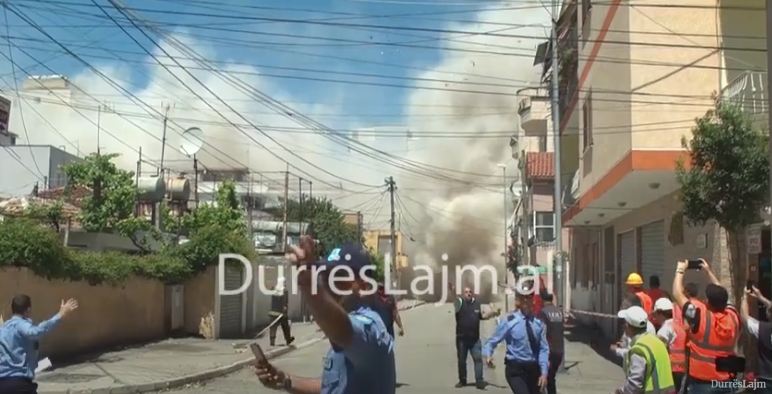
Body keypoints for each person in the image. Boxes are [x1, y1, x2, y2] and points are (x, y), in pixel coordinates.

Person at [255, 239, 396, 394]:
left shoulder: (371, 330)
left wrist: (308, 283)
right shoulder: (346, 331)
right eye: (326, 275)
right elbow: (332, 386)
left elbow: (342, 330)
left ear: (363, 286)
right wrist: (286, 380)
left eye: (339, 276)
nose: (330, 283)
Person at [672, 259, 740, 394]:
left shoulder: (700, 316)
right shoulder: (733, 316)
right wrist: (709, 271)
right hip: (727, 381)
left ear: (708, 302)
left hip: (702, 382)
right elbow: (723, 294)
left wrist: (680, 270)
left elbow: (677, 293)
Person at [0, 295, 79, 394]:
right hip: (19, 384)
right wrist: (60, 314)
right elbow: (35, 331)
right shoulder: (21, 325)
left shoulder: (3, 329)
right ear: (28, 310)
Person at [483, 286, 549, 394]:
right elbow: (492, 341)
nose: (526, 301)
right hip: (515, 369)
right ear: (519, 300)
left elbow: (543, 349)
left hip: (533, 368)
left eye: (529, 297)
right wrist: (488, 354)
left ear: (532, 299)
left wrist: (544, 373)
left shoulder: (538, 323)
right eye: (523, 298)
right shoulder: (509, 321)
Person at [615, 306, 675, 394]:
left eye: (624, 324)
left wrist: (621, 392)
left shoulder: (639, 350)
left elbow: (635, 384)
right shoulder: (656, 341)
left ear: (627, 326)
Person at [450, 284, 500, 389]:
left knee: (478, 359)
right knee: (462, 361)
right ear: (463, 294)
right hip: (462, 339)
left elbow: (482, 316)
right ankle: (462, 380)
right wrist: (452, 290)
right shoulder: (459, 303)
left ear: (472, 293)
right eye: (466, 292)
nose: (468, 293)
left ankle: (479, 381)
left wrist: (493, 313)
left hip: (475, 339)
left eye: (470, 292)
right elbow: (454, 298)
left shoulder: (477, 304)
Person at [651, 297, 687, 393]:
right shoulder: (679, 325)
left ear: (660, 313)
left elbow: (657, 351)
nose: (655, 317)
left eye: (655, 314)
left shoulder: (664, 330)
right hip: (684, 366)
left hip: (672, 368)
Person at [740, 285, 772, 387]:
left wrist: (744, 297)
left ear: (769, 315)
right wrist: (761, 298)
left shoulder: (762, 328)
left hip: (767, 379)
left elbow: (745, 317)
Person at [612, 293, 656, 359]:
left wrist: (617, 350)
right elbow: (625, 340)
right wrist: (622, 344)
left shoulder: (647, 329)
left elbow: (632, 353)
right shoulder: (633, 325)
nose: (625, 325)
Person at [537, 292, 564, 394]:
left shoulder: (543, 312)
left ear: (543, 300)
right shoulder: (559, 312)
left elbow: (540, 330)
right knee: (551, 377)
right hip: (559, 350)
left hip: (548, 350)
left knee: (543, 376)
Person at [269, 278, 295, 347]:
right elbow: (285, 303)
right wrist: (285, 311)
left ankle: (272, 342)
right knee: (285, 327)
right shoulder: (285, 291)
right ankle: (288, 339)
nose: (285, 284)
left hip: (273, 312)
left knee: (273, 327)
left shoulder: (274, 289)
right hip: (281, 314)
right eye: (284, 282)